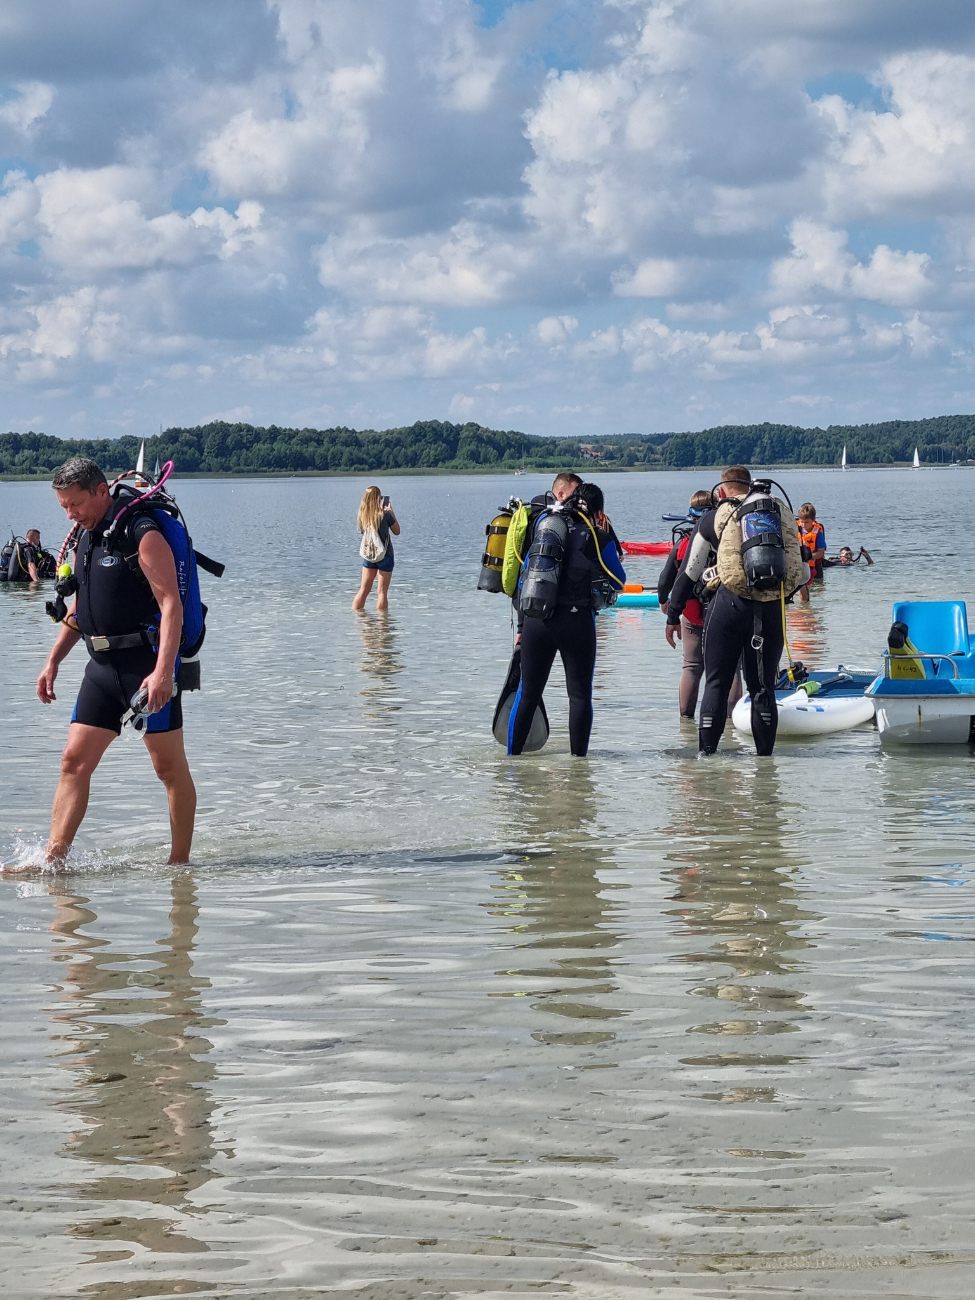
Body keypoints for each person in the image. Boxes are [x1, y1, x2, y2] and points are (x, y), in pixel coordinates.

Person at [35, 457, 196, 866]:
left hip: (145, 668)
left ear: (101, 491)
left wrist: (163, 672)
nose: (70, 515)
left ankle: (179, 866)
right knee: (73, 761)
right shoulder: (89, 535)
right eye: (64, 507)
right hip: (101, 670)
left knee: (168, 768)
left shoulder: (141, 532)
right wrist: (53, 660)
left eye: (76, 505)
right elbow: (81, 609)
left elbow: (171, 605)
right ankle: (53, 862)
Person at [665, 465, 806, 756]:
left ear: (722, 489)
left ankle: (707, 758)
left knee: (716, 681)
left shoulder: (716, 515)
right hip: (771, 610)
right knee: (763, 686)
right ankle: (765, 765)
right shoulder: (779, 514)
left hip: (729, 604)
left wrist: (672, 613)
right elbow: (803, 573)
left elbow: (689, 572)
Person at [508, 482, 625, 757]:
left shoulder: (545, 531)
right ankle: (578, 766)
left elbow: (525, 575)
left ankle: (512, 762)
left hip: (538, 620)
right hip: (577, 622)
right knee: (580, 696)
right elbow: (619, 580)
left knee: (528, 694)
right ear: (599, 512)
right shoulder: (598, 536)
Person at [658, 490, 742, 720]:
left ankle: (686, 722)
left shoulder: (684, 542)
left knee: (692, 667)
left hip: (692, 613)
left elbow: (666, 579)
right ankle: (731, 721)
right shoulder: (729, 537)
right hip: (725, 611)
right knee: (731, 667)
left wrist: (665, 603)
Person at [352, 486, 400, 612]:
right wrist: (391, 512)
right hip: (385, 554)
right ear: (378, 498)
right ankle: (382, 624)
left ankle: (357, 619)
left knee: (363, 590)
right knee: (382, 592)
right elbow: (397, 531)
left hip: (369, 554)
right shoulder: (385, 515)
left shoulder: (362, 516)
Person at [795, 503, 826, 603]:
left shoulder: (817, 533)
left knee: (804, 592)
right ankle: (801, 611)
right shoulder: (795, 528)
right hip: (795, 564)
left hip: (809, 567)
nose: (803, 525)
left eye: (807, 522)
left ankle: (806, 611)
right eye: (802, 522)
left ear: (813, 520)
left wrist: (809, 555)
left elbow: (821, 553)